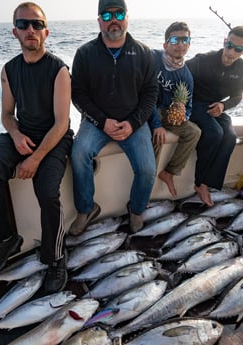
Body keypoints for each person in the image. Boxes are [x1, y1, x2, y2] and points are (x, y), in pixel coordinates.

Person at [0, 2, 73, 293]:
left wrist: (36, 159)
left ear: (46, 32)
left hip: (54, 138)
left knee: (46, 191)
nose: (30, 30)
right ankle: (5, 238)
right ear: (14, 31)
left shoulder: (59, 70)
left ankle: (55, 258)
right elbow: (6, 114)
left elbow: (61, 123)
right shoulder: (9, 70)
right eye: (24, 24)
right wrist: (15, 135)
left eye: (37, 25)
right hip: (22, 134)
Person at [69, 0, 157, 234]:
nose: (113, 20)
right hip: (97, 122)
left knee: (148, 169)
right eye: (106, 16)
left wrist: (134, 123)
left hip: (134, 123)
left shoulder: (144, 53)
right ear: (99, 21)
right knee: (79, 154)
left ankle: (136, 210)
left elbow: (151, 93)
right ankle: (86, 208)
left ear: (127, 17)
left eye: (118, 14)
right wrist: (101, 121)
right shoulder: (85, 53)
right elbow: (77, 94)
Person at [186, 25, 243, 206]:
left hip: (215, 107)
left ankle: (208, 183)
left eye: (238, 49)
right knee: (215, 132)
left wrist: (223, 105)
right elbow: (180, 72)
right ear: (224, 42)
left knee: (230, 136)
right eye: (229, 45)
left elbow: (237, 96)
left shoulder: (241, 67)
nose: (231, 52)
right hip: (193, 104)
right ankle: (200, 183)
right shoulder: (203, 60)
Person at [149, 21, 201, 198]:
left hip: (169, 113)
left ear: (189, 44)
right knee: (157, 137)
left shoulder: (186, 75)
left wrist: (183, 116)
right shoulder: (152, 58)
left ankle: (170, 172)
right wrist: (157, 124)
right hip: (147, 110)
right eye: (175, 40)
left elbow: (189, 105)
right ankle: (146, 188)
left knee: (194, 132)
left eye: (185, 40)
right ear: (165, 44)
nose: (180, 44)